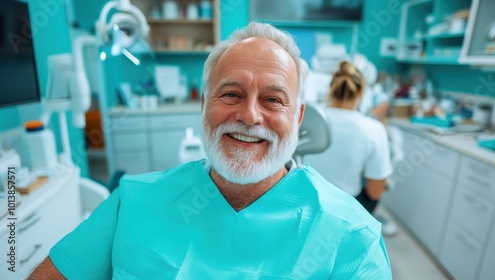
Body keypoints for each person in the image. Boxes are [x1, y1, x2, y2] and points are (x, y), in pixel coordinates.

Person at [29, 22, 392, 279]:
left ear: (297, 117)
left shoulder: (352, 237)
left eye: (272, 99)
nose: (250, 115)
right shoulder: (133, 202)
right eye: (231, 94)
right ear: (204, 104)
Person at [322, 60, 394, 218]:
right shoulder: (373, 128)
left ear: (331, 88)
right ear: (361, 92)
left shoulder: (308, 118)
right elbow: (375, 193)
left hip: (306, 200)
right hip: (344, 209)